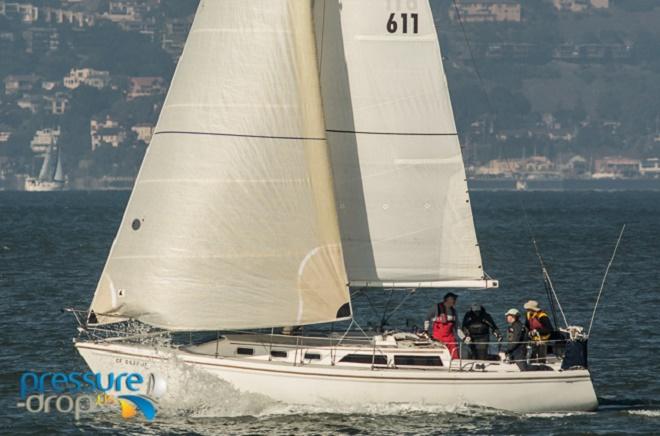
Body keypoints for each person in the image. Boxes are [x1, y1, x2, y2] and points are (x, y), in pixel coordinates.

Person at [424, 292, 459, 359]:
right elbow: (427, 319)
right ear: (448, 299)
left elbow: (457, 326)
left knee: (455, 356)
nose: (455, 301)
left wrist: (464, 337)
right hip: (438, 338)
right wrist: (426, 331)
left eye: (455, 299)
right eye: (453, 299)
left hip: (450, 339)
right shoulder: (436, 308)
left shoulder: (454, 311)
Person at [523, 300, 554, 364]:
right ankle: (531, 366)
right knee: (532, 357)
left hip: (542, 340)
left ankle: (542, 367)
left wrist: (537, 331)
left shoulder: (542, 316)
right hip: (533, 339)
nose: (527, 310)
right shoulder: (528, 314)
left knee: (541, 358)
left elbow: (549, 329)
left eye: (528, 309)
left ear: (533, 309)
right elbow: (527, 326)